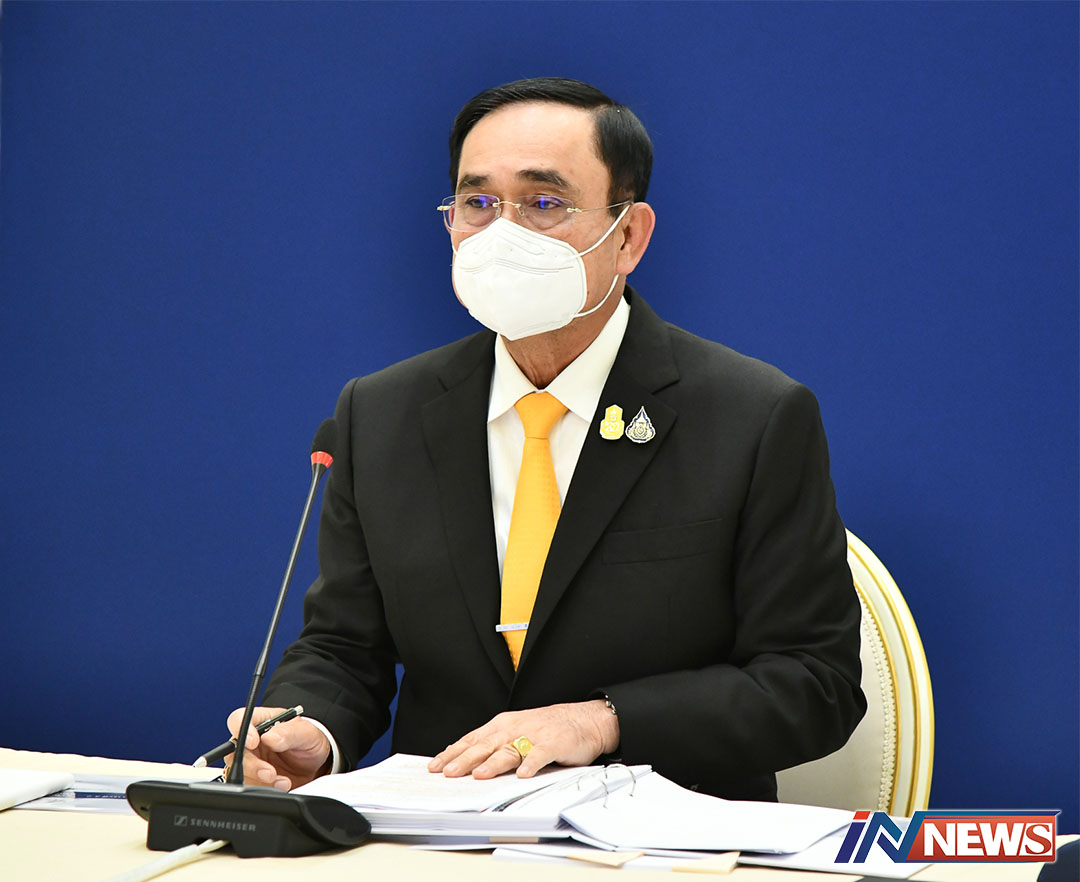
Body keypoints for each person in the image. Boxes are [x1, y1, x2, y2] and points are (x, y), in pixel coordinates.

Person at [225, 77, 866, 801]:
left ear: (628, 236)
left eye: (543, 203)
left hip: (659, 839)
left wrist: (603, 720)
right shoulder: (381, 413)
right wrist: (312, 728)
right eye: (477, 203)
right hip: (439, 834)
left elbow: (814, 683)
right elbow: (344, 647)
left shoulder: (752, 416)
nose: (501, 236)